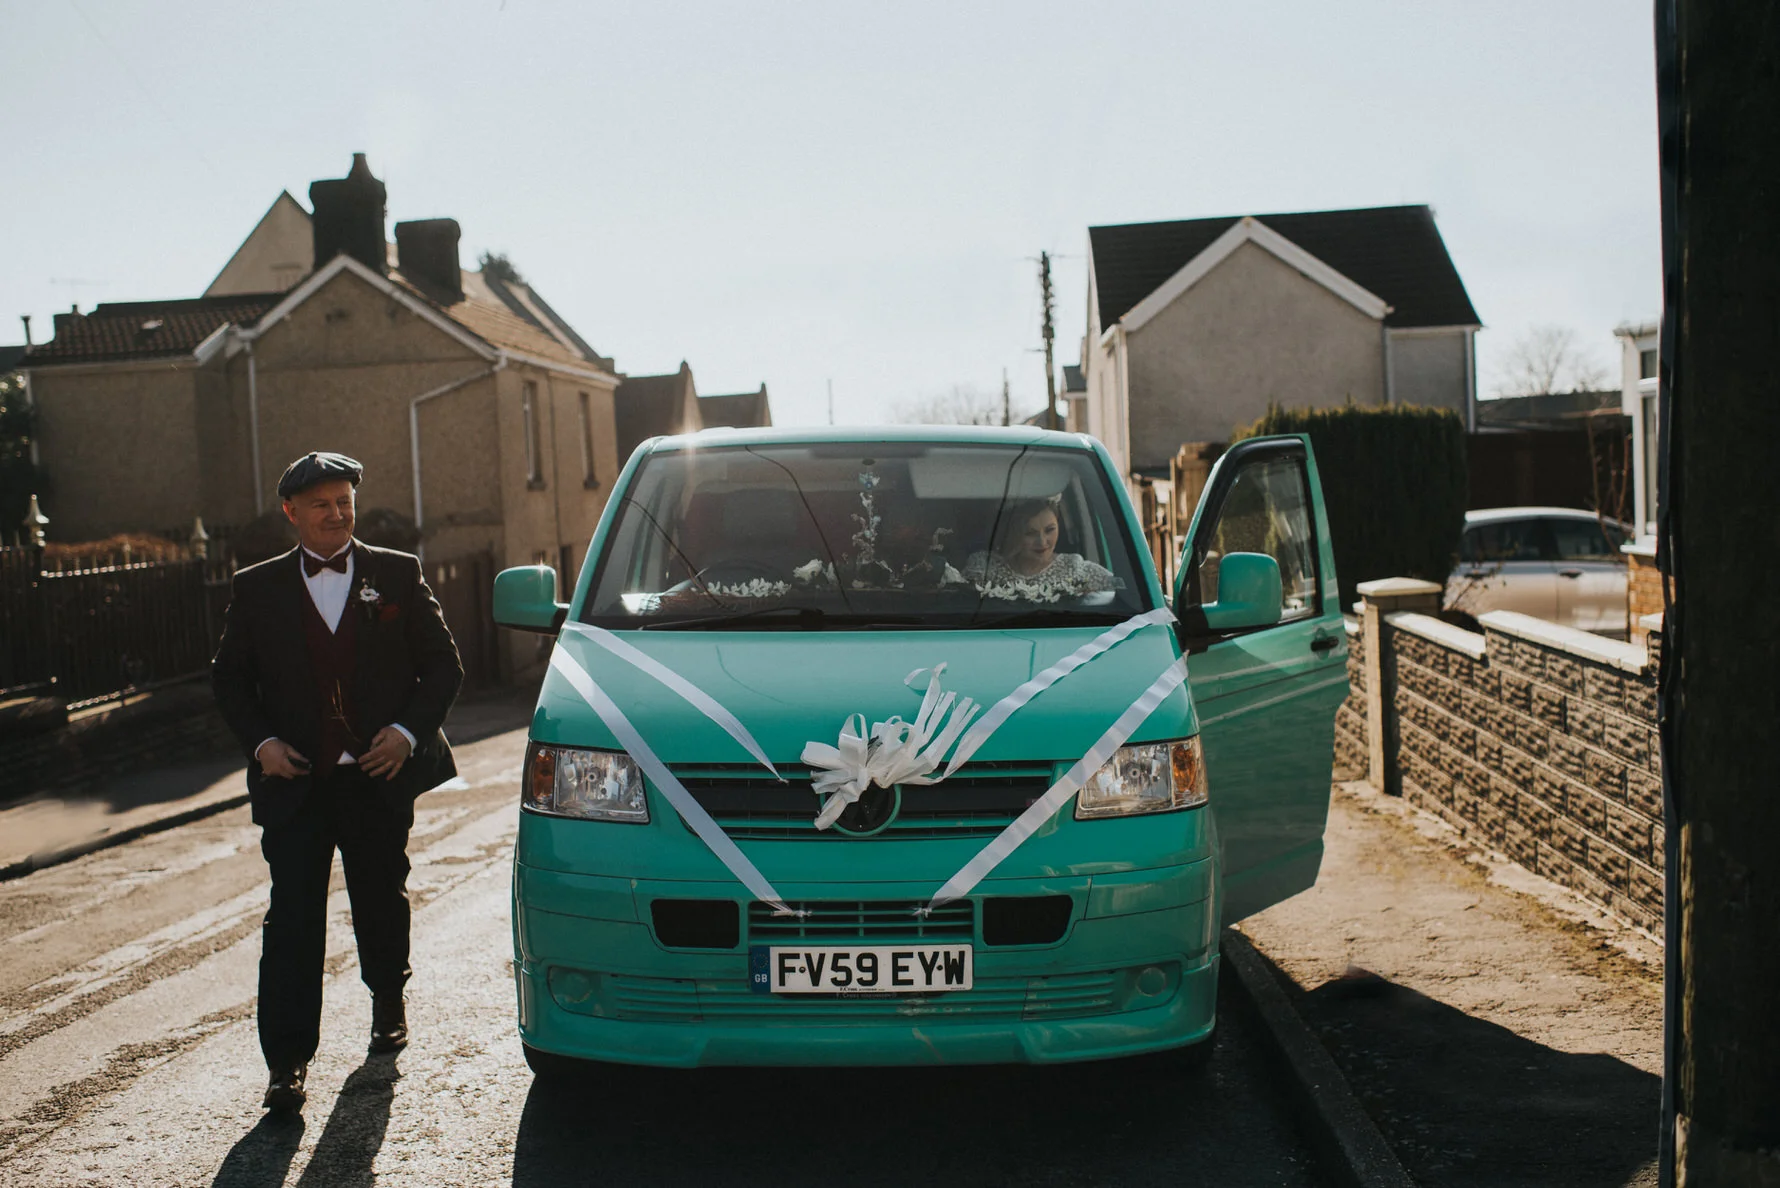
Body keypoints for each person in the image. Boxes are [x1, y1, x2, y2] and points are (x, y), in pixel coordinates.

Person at [212, 451, 463, 1114]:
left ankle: (388, 998)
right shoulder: (257, 587)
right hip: (295, 781)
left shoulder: (396, 573)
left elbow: (443, 667)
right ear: (291, 512)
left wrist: (405, 734)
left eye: (344, 501)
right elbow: (229, 679)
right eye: (321, 504)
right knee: (292, 919)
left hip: (376, 778)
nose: (336, 513)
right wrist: (262, 744)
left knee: (380, 897)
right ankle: (286, 1063)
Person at [964, 496, 1119, 598]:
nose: (1042, 542)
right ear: (1012, 533)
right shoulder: (984, 567)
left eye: (1050, 530)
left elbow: (1125, 593)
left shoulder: (1075, 568)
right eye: (1030, 533)